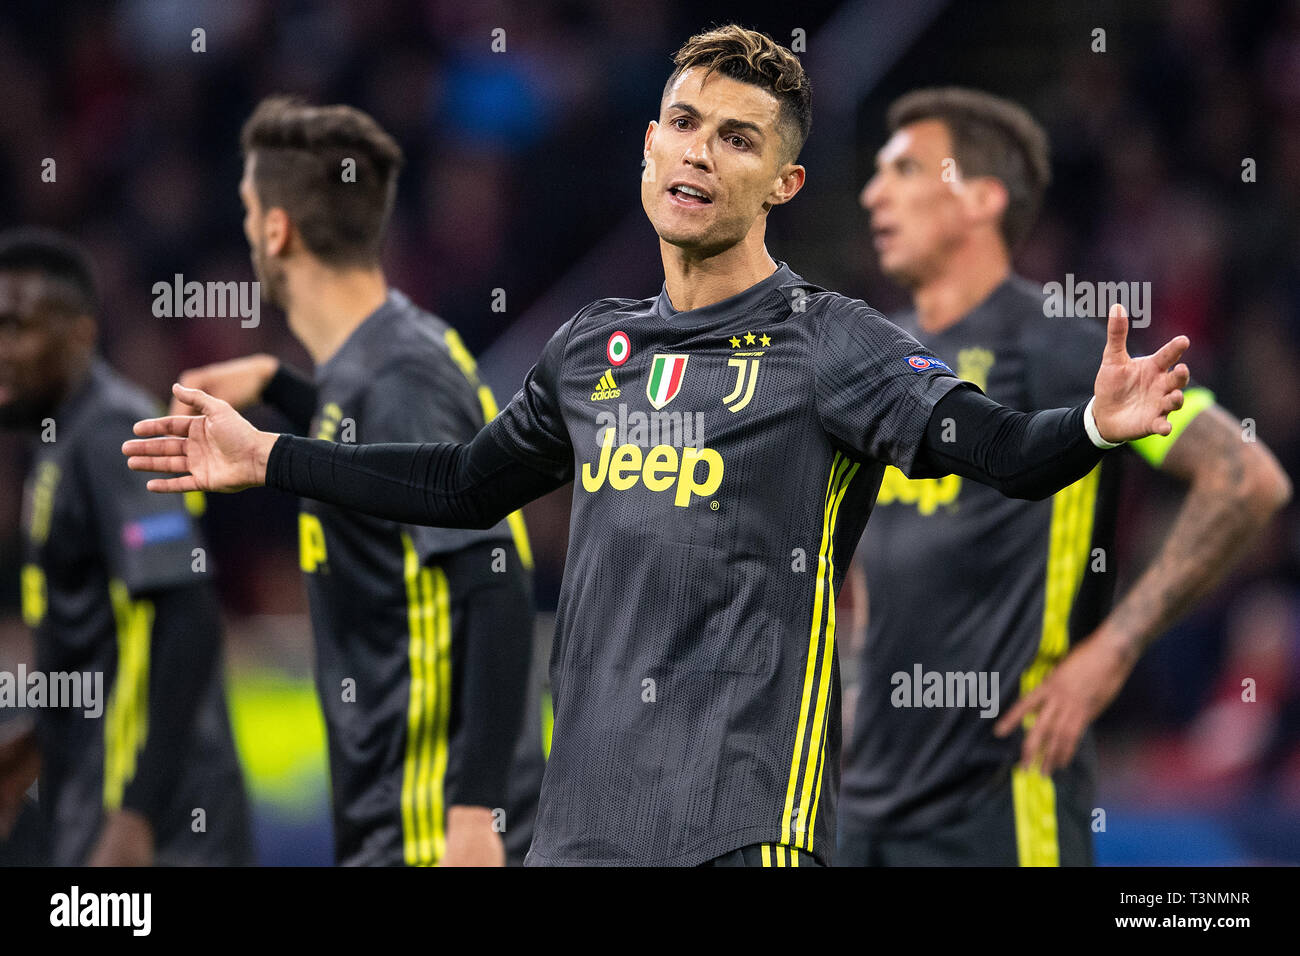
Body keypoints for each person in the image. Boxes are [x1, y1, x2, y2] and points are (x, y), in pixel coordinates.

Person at [124, 26, 1193, 867]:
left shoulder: (830, 341)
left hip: (744, 830)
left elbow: (1000, 448)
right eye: (684, 122)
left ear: (783, 184)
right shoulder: (593, 346)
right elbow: (460, 483)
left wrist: (1095, 422)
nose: (699, 151)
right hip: (581, 837)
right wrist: (272, 456)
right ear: (649, 145)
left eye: (738, 138)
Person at [837, 87, 1292, 866]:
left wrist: (1115, 647)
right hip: (860, 804)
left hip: (1005, 798)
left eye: (906, 170)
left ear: (981, 200)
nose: (875, 192)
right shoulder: (877, 353)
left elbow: (1245, 475)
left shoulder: (1060, 346)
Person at [170, 97, 540, 866]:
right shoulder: (379, 360)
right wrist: (282, 386)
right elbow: (385, 465)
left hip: (431, 821)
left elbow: (496, 586)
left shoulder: (398, 373)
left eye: (248, 211)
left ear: (276, 230)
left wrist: (475, 815)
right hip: (398, 813)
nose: (246, 233)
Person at [0, 228, 252, 866]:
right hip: (100, 806)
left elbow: (187, 617)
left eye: (15, 326)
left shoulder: (115, 433)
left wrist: (134, 815)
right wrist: (35, 743)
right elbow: (103, 639)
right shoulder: (60, 443)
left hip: (162, 831)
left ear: (80, 331)